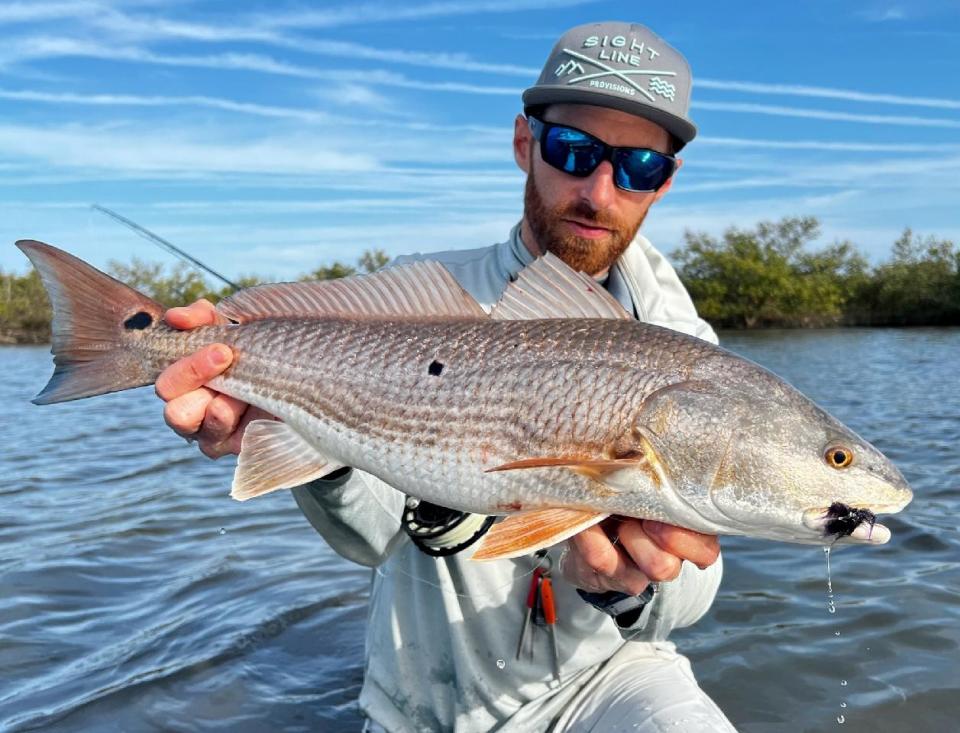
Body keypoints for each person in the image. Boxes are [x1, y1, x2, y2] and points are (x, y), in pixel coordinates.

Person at [156, 21, 737, 733]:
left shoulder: (683, 350)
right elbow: (370, 539)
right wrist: (306, 432)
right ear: (525, 143)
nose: (600, 189)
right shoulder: (420, 301)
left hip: (608, 678)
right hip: (422, 694)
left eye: (639, 165)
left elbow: (696, 590)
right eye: (573, 150)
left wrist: (628, 590)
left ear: (665, 181)